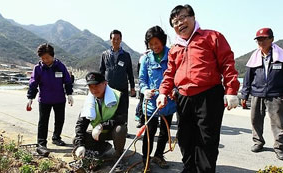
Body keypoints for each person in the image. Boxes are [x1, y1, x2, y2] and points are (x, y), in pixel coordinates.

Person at [156, 5, 240, 173]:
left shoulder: (212, 37)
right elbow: (169, 73)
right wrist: (163, 92)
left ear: (193, 17)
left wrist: (231, 90)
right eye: (175, 22)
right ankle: (189, 169)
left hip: (209, 95)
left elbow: (227, 64)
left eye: (182, 18)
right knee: (185, 138)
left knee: (206, 139)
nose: (179, 24)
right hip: (183, 97)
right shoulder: (175, 48)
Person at [241, 28, 283, 160]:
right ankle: (258, 142)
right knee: (255, 119)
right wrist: (244, 95)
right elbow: (247, 78)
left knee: (278, 122)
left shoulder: (280, 56)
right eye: (259, 39)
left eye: (264, 38)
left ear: (271, 39)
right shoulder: (254, 57)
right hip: (257, 93)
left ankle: (279, 147)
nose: (261, 42)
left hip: (275, 94)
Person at [139, 26, 177, 172]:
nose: (154, 46)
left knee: (164, 132)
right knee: (149, 132)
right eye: (151, 44)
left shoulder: (173, 55)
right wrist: (145, 90)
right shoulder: (146, 58)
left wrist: (175, 90)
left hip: (168, 102)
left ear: (163, 41)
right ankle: (145, 159)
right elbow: (142, 80)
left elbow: (178, 77)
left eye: (157, 43)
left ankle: (159, 155)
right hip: (151, 103)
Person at [73, 72, 128, 172]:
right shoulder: (89, 100)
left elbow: (121, 118)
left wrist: (102, 126)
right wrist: (80, 145)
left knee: (121, 129)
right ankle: (102, 147)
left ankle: (118, 156)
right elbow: (81, 123)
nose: (94, 90)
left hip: (112, 132)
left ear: (105, 83)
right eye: (91, 87)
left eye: (97, 86)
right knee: (77, 139)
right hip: (97, 135)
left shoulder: (118, 96)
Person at [26, 43, 74, 156]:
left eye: (47, 57)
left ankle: (56, 137)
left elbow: (67, 81)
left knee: (59, 120)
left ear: (52, 56)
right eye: (42, 58)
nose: (45, 60)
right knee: (43, 122)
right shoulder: (38, 68)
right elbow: (33, 83)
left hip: (59, 99)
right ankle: (41, 143)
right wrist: (30, 97)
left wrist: (69, 94)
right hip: (45, 100)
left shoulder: (60, 66)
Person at [99, 29, 136, 117]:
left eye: (118, 39)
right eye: (113, 39)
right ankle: (109, 129)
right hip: (109, 88)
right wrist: (99, 86)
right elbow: (101, 72)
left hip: (122, 87)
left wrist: (132, 87)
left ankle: (122, 129)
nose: (116, 41)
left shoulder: (126, 55)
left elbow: (130, 72)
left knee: (122, 110)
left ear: (121, 40)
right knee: (108, 109)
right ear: (110, 40)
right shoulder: (105, 55)